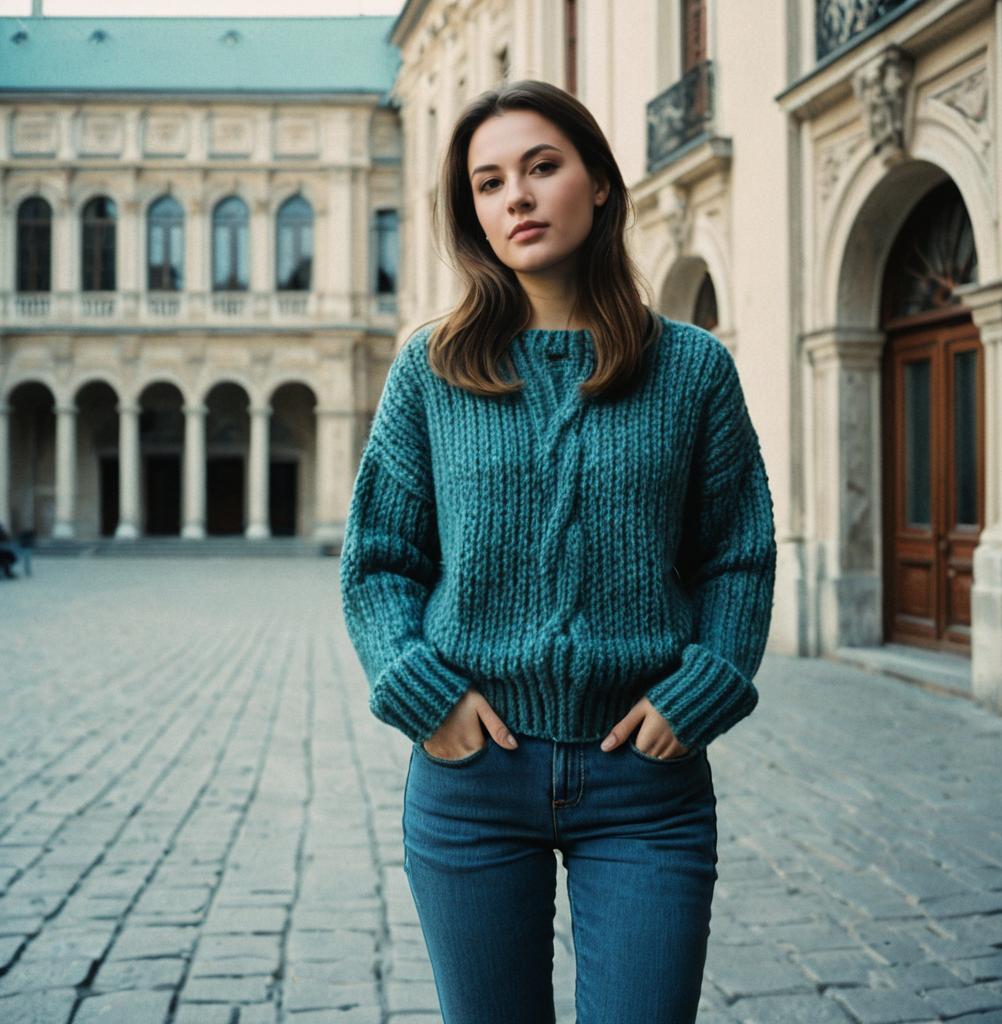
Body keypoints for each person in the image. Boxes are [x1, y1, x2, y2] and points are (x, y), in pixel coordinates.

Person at [340, 79, 777, 1024]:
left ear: (602, 184)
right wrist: (423, 695)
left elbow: (737, 554)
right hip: (472, 781)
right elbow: (378, 559)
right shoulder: (431, 369)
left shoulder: (694, 369)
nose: (518, 199)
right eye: (489, 183)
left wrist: (703, 688)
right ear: (474, 216)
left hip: (645, 787)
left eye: (542, 167)